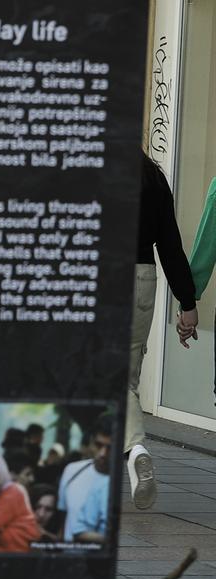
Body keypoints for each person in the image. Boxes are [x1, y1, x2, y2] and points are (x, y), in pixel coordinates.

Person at [128, 153, 201, 511]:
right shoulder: (153, 178)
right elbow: (170, 246)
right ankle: (123, 459)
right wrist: (187, 304)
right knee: (124, 378)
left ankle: (135, 448)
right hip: (142, 278)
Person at [58, 414, 113, 544]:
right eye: (98, 445)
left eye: (109, 447)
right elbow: (64, 520)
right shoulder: (72, 471)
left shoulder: (116, 482)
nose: (103, 453)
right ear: (91, 442)